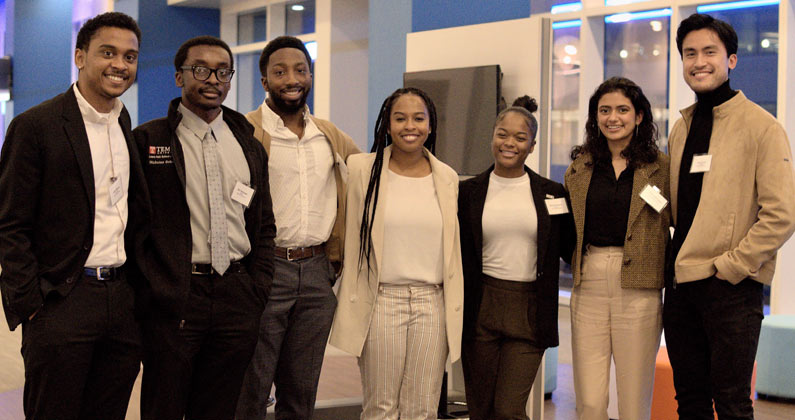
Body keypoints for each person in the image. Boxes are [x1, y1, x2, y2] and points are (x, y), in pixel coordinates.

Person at [0, 12, 147, 420]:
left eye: (130, 56)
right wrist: (32, 305)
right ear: (80, 57)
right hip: (62, 300)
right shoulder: (36, 125)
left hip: (119, 301)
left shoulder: (123, 122)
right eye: (108, 53)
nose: (120, 64)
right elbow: (10, 223)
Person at [132, 35, 275, 420]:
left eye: (222, 71)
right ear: (179, 77)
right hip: (177, 297)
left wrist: (256, 288)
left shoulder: (248, 144)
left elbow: (263, 225)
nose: (213, 79)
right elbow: (134, 229)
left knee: (219, 408)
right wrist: (155, 289)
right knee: (164, 406)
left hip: (237, 297)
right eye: (201, 69)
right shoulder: (148, 141)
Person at [665, 14, 795, 419]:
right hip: (681, 286)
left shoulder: (762, 127)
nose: (699, 61)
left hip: (730, 290)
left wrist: (732, 266)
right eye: (690, 53)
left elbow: (782, 213)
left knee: (733, 403)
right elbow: (677, 206)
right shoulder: (680, 128)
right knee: (689, 400)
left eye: (709, 52)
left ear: (731, 60)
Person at [236, 35, 360, 420]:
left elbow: (368, 176)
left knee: (301, 393)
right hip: (265, 272)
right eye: (280, 71)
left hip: (318, 275)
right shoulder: (244, 131)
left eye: (300, 70)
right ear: (264, 81)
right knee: (251, 391)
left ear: (310, 75)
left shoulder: (329, 135)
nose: (292, 78)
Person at [329, 87, 463, 420]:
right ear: (387, 124)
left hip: (432, 303)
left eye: (419, 118)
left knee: (423, 408)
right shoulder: (362, 169)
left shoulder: (447, 176)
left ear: (430, 126)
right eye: (400, 118)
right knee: (381, 407)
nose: (410, 126)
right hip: (381, 300)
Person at [458, 96, 574, 420]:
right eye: (502, 134)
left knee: (509, 410)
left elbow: (570, 247)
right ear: (492, 136)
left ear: (532, 145)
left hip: (529, 309)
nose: (509, 143)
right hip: (480, 305)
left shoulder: (552, 194)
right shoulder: (468, 192)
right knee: (481, 409)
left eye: (520, 138)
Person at [565, 77, 670, 420]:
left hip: (640, 286)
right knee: (591, 401)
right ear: (595, 118)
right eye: (605, 110)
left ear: (639, 116)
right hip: (589, 279)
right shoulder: (579, 168)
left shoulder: (661, 167)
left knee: (633, 398)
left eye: (623, 110)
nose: (613, 117)